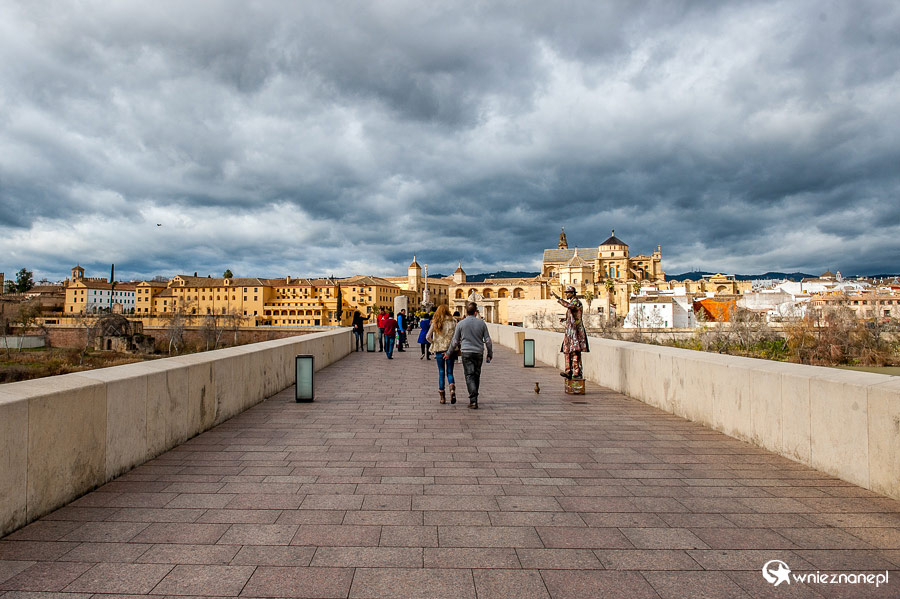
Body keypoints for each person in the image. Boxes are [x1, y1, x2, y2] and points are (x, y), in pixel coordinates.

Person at [448, 302, 492, 409]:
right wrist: (490, 353)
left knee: (469, 375)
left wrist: (449, 353)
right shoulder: (481, 323)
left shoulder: (461, 324)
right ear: (476, 312)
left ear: (466, 312)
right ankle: (474, 396)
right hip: (478, 352)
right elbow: (488, 340)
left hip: (466, 352)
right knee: (476, 375)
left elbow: (455, 341)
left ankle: (473, 400)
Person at [551, 285, 590, 379]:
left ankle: (576, 372)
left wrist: (558, 299)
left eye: (567, 293)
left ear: (572, 293)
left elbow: (570, 306)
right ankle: (568, 371)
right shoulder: (573, 302)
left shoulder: (576, 302)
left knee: (575, 352)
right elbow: (572, 314)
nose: (566, 295)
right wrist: (565, 319)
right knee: (567, 351)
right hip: (570, 331)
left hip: (576, 331)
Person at [426, 305, 457, 403]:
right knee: (450, 372)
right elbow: (456, 337)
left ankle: (442, 397)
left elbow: (427, 336)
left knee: (441, 372)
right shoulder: (453, 322)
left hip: (439, 350)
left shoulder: (436, 322)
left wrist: (434, 342)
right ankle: (451, 387)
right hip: (450, 350)